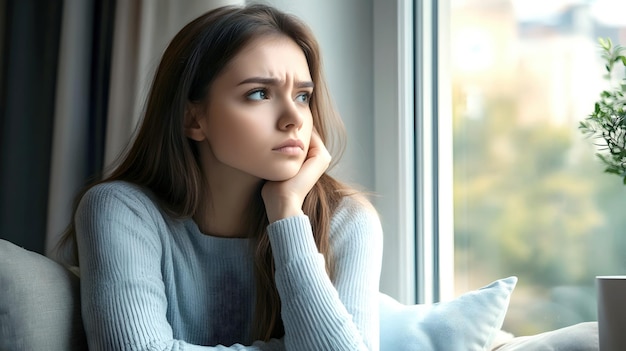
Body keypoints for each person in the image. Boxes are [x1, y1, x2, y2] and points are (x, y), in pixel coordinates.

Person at [59, 3, 383, 351]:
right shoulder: (122, 211)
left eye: (302, 96)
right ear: (193, 119)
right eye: (259, 93)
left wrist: (287, 213)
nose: (294, 119)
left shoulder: (347, 222)